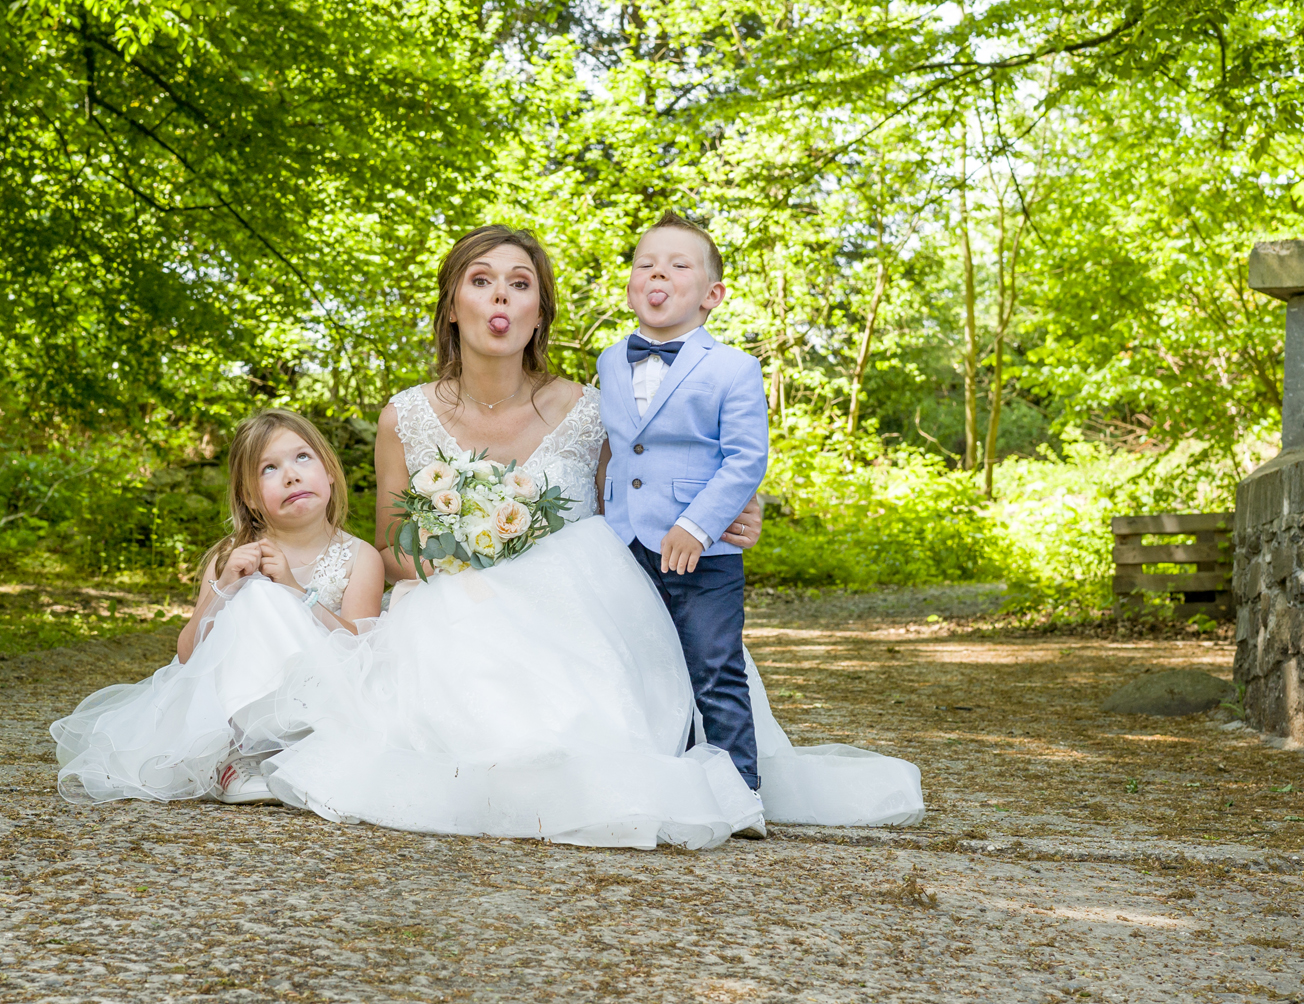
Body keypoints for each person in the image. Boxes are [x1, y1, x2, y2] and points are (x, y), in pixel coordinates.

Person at [233, 224, 923, 848]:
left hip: (579, 618)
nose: (500, 296)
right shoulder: (403, 417)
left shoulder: (593, 409)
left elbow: (651, 494)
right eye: (480, 281)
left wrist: (737, 511)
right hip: (452, 616)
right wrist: (463, 568)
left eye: (520, 284)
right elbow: (388, 547)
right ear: (452, 306)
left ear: (539, 312)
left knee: (600, 732)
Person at [50, 409, 384, 806]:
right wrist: (226, 587)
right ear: (249, 497)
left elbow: (361, 650)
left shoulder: (359, 557)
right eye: (269, 469)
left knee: (272, 596)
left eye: (302, 458)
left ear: (329, 470)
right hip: (238, 714)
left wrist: (297, 592)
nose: (291, 475)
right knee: (256, 594)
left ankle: (295, 753)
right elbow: (190, 654)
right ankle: (239, 757)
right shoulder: (233, 555)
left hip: (317, 702)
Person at [596, 210, 770, 834]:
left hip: (705, 551)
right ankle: (658, 784)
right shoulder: (610, 361)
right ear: (631, 284)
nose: (658, 274)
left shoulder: (734, 369)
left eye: (677, 265)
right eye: (645, 263)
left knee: (712, 665)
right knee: (639, 668)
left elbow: (746, 458)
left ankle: (740, 792)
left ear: (712, 295)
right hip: (624, 543)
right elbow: (618, 449)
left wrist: (697, 526)